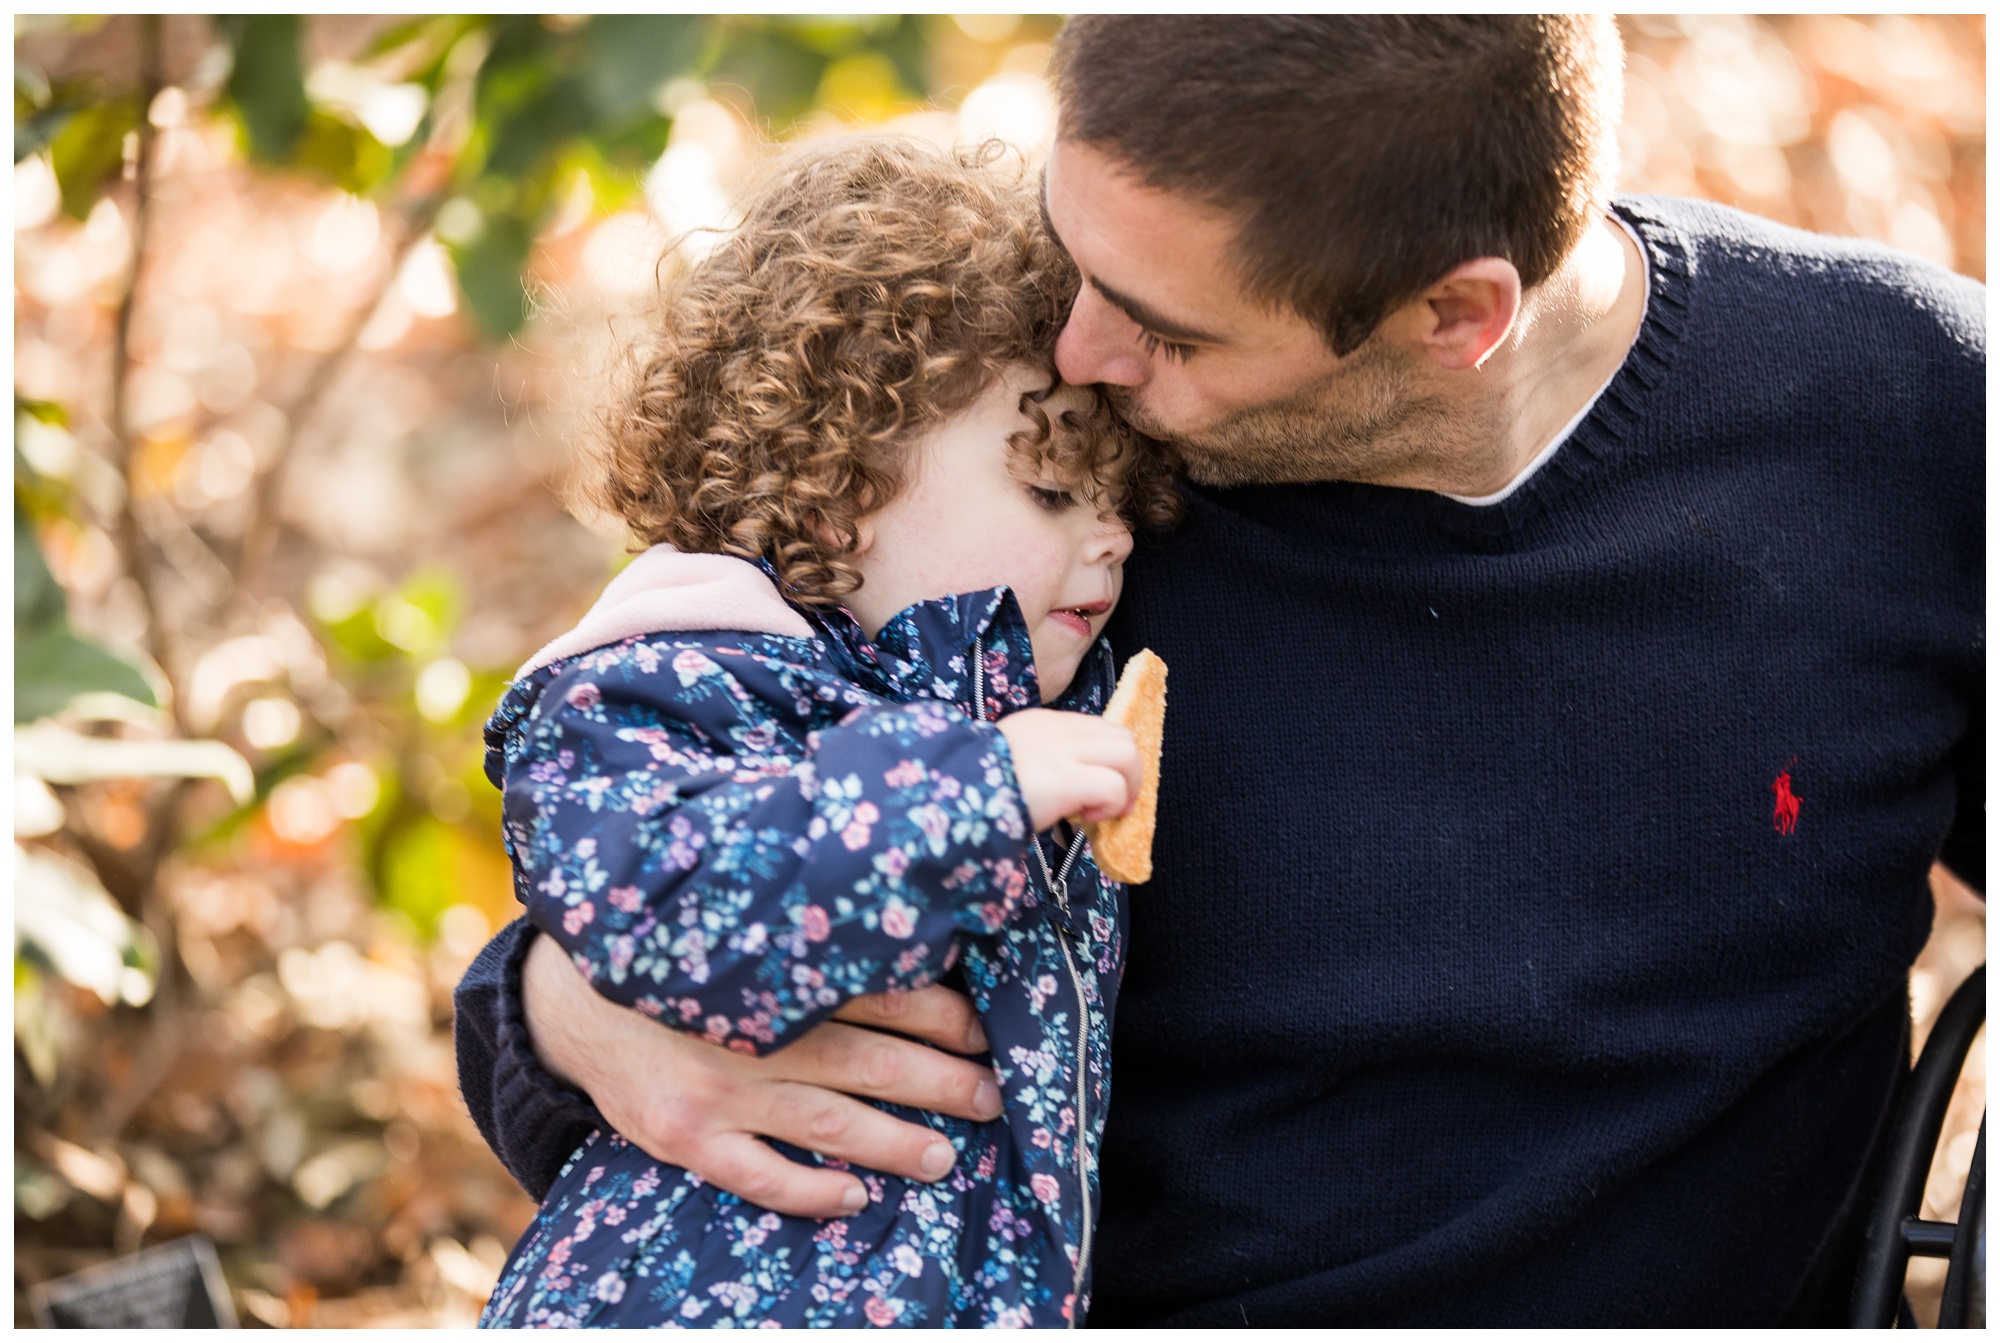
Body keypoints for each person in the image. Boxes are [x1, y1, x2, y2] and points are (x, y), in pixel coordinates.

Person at [457, 17, 1984, 1325]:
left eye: (1166, 327)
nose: (1079, 347)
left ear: (1456, 314)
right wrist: (562, 1018)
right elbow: (654, 829)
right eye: (1073, 250)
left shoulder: (1906, 419)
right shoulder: (1016, 479)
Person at [472, 137, 1179, 1327]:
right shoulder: (676, 679)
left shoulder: (1030, 711)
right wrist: (971, 791)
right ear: (833, 481)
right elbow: (665, 901)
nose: (1108, 537)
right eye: (1052, 491)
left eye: (1120, 497)